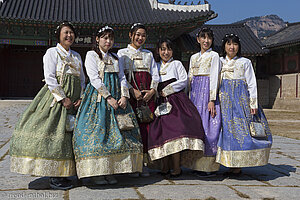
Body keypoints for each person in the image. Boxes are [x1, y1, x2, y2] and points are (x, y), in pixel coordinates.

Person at [10, 22, 86, 190]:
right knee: (54, 135)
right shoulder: (52, 52)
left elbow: (81, 80)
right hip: (56, 99)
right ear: (59, 35)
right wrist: (62, 98)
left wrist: (81, 97)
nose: (69, 36)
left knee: (69, 137)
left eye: (71, 33)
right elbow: (50, 77)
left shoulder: (77, 56)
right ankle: (54, 177)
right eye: (65, 33)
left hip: (74, 101)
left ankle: (65, 172)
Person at [73, 26, 143, 185]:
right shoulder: (91, 55)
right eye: (104, 38)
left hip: (118, 99)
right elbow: (93, 78)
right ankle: (98, 172)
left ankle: (112, 170)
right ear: (97, 39)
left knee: (119, 134)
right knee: (98, 133)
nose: (108, 41)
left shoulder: (116, 57)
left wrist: (124, 95)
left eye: (111, 38)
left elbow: (122, 78)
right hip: (98, 98)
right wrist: (109, 97)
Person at [216, 34, 272, 175]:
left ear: (239, 46)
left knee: (241, 130)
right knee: (227, 132)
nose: (231, 47)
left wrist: (253, 103)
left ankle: (239, 165)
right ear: (224, 46)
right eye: (228, 44)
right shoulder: (219, 61)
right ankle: (230, 163)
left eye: (234, 44)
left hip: (241, 100)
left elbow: (252, 83)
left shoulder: (245, 62)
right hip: (224, 100)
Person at [148, 38, 205, 178]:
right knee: (161, 134)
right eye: (162, 49)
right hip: (160, 102)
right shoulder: (155, 65)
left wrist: (168, 90)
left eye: (168, 49)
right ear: (158, 51)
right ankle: (164, 166)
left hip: (175, 102)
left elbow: (183, 80)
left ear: (172, 51)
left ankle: (176, 167)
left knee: (175, 134)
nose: (165, 52)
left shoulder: (177, 64)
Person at [117, 23, 159, 177]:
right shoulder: (122, 53)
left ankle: (144, 163)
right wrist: (131, 90)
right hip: (131, 96)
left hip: (147, 97)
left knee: (146, 129)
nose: (140, 38)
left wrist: (153, 90)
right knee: (130, 129)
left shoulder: (148, 54)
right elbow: (120, 75)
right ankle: (131, 164)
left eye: (143, 35)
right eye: (138, 34)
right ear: (130, 35)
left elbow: (156, 75)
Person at [187, 27, 221, 177]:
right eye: (203, 37)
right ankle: (195, 164)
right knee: (196, 127)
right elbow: (189, 78)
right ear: (198, 39)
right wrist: (187, 99)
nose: (206, 41)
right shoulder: (193, 57)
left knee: (209, 128)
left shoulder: (214, 56)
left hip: (207, 92)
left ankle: (208, 166)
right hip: (195, 93)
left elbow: (214, 77)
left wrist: (212, 99)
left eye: (209, 38)